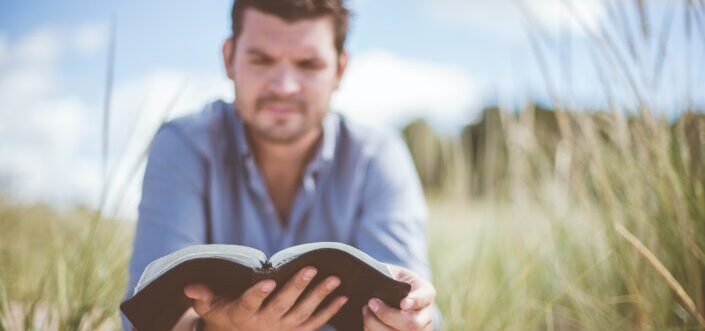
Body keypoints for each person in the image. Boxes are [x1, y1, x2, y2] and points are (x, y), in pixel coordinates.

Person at [123, 0, 441, 330]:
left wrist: (406, 317)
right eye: (261, 60)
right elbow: (145, 317)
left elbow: (419, 310)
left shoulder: (379, 156)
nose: (284, 86)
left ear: (340, 70)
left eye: (308, 64)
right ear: (229, 58)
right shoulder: (183, 145)